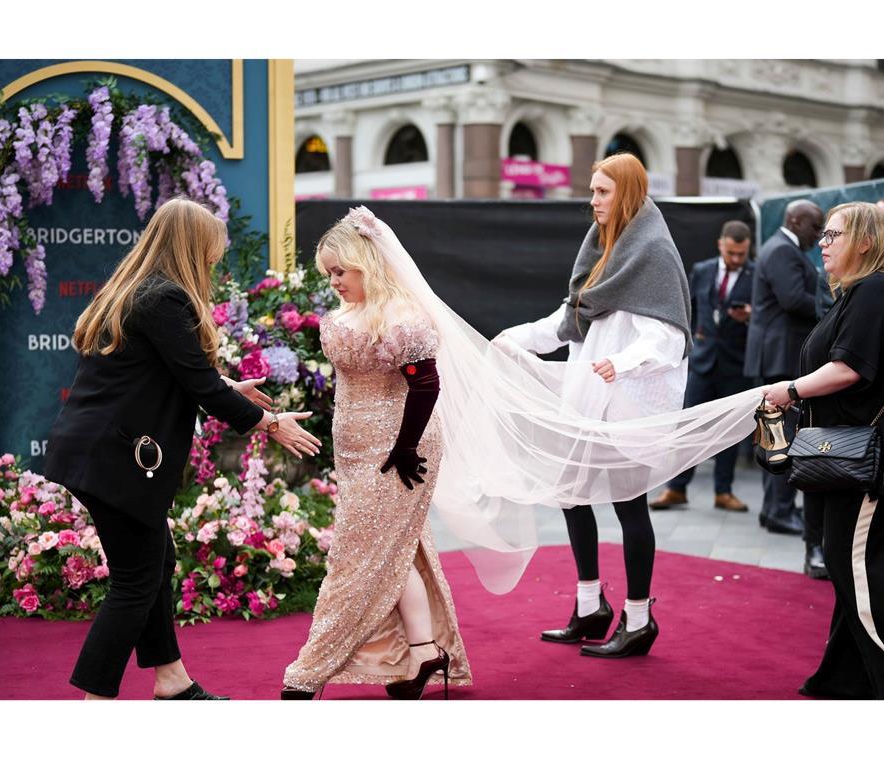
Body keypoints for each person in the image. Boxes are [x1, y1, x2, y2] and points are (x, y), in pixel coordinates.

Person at [43, 198, 322, 700]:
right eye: (212, 251)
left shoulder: (134, 291)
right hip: (114, 458)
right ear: (191, 247)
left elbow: (166, 373)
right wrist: (269, 422)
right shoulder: (164, 298)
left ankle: (172, 680)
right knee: (135, 581)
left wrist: (226, 387)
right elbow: (197, 385)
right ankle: (92, 704)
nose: (216, 261)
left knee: (157, 563)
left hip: (96, 451)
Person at [496, 153, 692, 658]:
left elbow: (667, 339)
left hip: (628, 404)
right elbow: (567, 322)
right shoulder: (602, 250)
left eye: (602, 192)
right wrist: (507, 340)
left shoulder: (652, 252)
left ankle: (640, 618)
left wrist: (621, 364)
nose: (593, 200)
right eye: (592, 190)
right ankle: (590, 607)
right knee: (572, 494)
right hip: (588, 400)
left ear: (626, 193)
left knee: (630, 506)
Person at [281, 208, 472, 699]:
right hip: (356, 450)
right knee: (391, 551)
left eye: (341, 271)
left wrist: (405, 448)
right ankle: (426, 651)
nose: (334, 282)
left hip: (399, 449)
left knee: (357, 556)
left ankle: (309, 671)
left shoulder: (402, 316)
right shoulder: (345, 316)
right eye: (328, 274)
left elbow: (426, 387)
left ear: (366, 261)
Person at [761, 202, 884, 699]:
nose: (823, 241)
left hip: (873, 468)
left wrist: (789, 390)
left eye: (834, 234)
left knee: (860, 573)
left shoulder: (876, 291)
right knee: (848, 569)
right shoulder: (858, 294)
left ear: (863, 241)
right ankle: (845, 681)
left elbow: (850, 369)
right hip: (852, 463)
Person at [744, 199, 825, 577]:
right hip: (780, 355)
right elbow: (794, 300)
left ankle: (773, 508)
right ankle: (777, 510)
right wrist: (834, 307)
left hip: (777, 352)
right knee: (783, 437)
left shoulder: (781, 247)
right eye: (815, 226)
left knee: (774, 436)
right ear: (795, 220)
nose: (819, 233)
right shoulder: (782, 250)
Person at [650, 220, 754, 513]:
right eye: (731, 253)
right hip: (703, 359)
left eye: (741, 254)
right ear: (721, 244)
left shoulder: (756, 275)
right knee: (688, 427)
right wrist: (694, 337)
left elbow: (764, 316)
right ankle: (677, 488)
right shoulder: (703, 270)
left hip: (736, 362)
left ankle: (724, 491)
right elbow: (690, 306)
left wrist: (751, 316)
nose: (736, 259)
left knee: (729, 430)